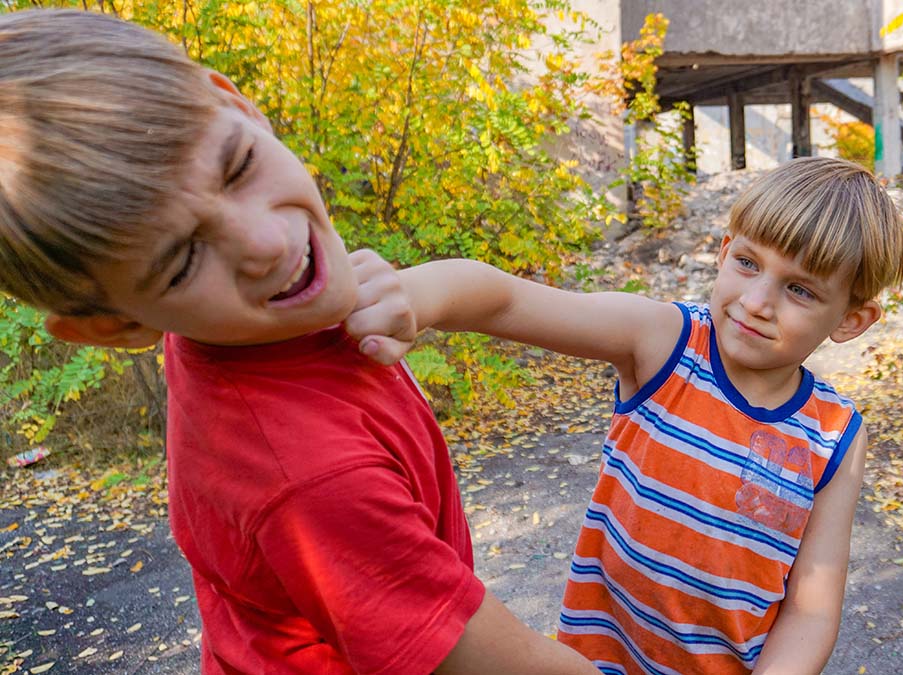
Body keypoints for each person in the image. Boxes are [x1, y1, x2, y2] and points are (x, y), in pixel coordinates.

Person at [0, 9, 601, 675]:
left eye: (237, 167)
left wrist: (417, 294)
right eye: (182, 261)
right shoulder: (310, 479)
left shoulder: (235, 326)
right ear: (114, 327)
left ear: (240, 106)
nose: (266, 243)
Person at [345, 156, 903, 674]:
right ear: (723, 252)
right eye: (747, 263)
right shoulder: (664, 343)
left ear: (851, 320)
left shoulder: (835, 437)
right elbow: (507, 300)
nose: (757, 301)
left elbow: (812, 607)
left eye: (800, 290)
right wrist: (410, 296)